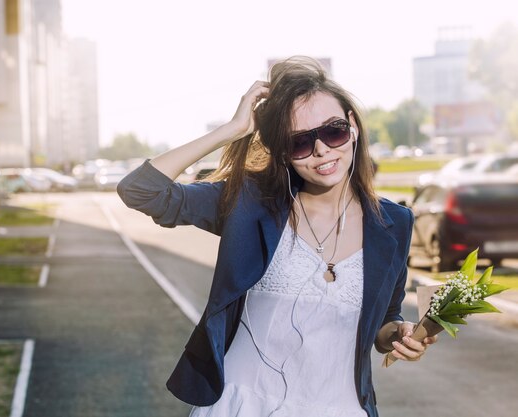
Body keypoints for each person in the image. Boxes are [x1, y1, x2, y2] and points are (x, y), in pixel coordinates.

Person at [117, 56, 437, 417]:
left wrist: (400, 335)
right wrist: (232, 129)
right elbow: (141, 190)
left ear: (353, 127)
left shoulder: (395, 223)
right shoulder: (249, 202)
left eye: (333, 131)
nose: (321, 150)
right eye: (300, 141)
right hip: (241, 406)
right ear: (282, 152)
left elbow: (384, 322)